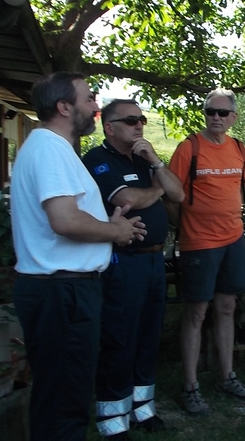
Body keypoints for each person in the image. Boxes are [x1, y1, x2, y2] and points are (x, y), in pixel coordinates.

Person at [11, 72, 146, 441]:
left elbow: (71, 214)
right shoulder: (50, 149)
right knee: (64, 402)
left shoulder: (50, 148)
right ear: (64, 106)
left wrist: (107, 225)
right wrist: (115, 231)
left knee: (61, 394)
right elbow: (65, 220)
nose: (95, 107)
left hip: (62, 290)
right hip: (62, 292)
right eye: (89, 99)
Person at [83, 100, 184, 438]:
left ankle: (143, 410)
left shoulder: (144, 159)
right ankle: (113, 421)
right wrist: (157, 189)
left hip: (155, 261)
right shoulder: (97, 160)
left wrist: (155, 161)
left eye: (141, 119)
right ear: (109, 127)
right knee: (119, 340)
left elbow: (179, 194)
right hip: (124, 263)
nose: (139, 125)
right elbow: (126, 199)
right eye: (129, 120)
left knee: (147, 338)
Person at [168, 89, 245, 416]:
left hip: (233, 239)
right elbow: (171, 198)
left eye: (222, 113)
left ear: (233, 117)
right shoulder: (188, 148)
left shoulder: (239, 149)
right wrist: (190, 226)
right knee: (196, 313)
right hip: (199, 244)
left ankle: (226, 376)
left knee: (227, 308)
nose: (215, 118)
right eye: (210, 112)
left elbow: (239, 191)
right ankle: (190, 386)